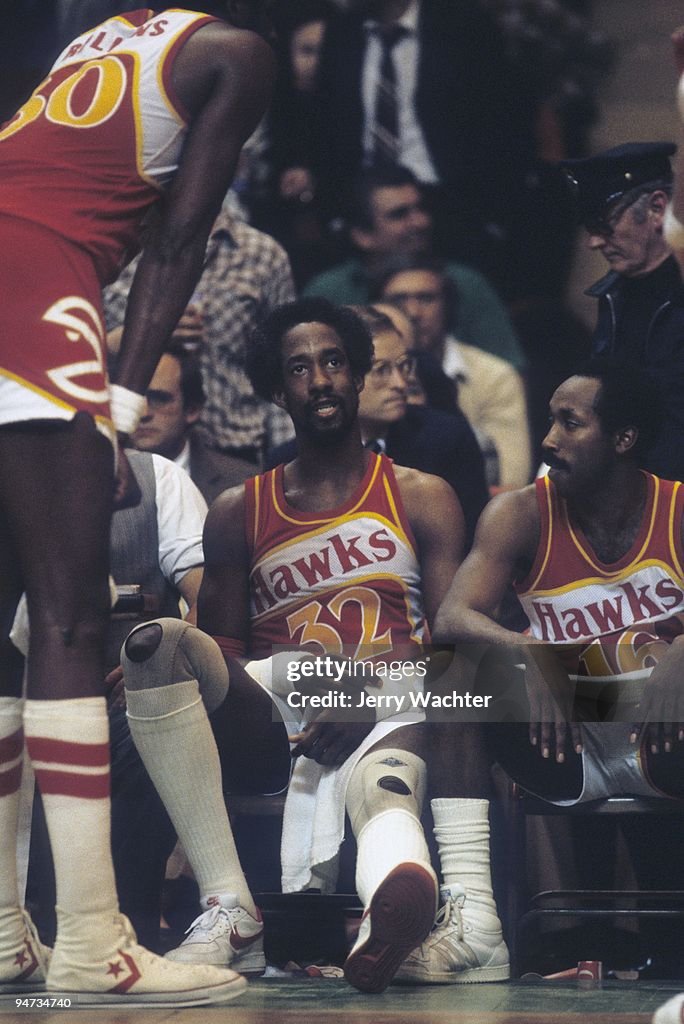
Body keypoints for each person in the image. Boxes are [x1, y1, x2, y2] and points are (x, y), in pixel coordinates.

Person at [0, 1, 275, 1005]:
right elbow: (178, 243)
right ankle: (90, 943)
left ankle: (3, 933)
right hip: (35, 280)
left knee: (6, 626)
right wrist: (116, 404)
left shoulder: (95, 37)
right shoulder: (236, 53)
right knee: (70, 617)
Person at [118, 298, 506, 990]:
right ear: (276, 390)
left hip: (396, 698)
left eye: (333, 361)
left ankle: (398, 905)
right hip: (282, 707)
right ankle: (231, 908)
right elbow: (223, 657)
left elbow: (453, 649)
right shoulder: (240, 510)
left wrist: (362, 692)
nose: (320, 379)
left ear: (357, 375)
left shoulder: (422, 496)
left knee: (405, 749)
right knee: (162, 645)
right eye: (299, 368)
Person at [267, 302, 490, 550]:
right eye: (381, 370)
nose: (401, 383)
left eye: (404, 366)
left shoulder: (446, 439)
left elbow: (473, 547)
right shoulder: (286, 462)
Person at [104, 203, 296, 467]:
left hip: (235, 446)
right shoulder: (117, 245)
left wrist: (287, 458)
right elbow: (75, 355)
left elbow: (280, 367)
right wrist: (137, 336)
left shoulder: (263, 255)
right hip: (130, 441)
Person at [303, 165, 525, 371]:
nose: (420, 222)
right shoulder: (328, 291)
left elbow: (508, 373)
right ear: (363, 236)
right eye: (400, 214)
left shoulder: (466, 282)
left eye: (420, 209)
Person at [560, 141, 684, 481]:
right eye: (589, 228)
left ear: (658, 208)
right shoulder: (613, 296)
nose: (594, 242)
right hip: (624, 490)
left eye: (604, 224)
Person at [377, 257, 532, 489]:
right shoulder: (359, 374)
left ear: (448, 306)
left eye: (426, 298)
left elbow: (510, 485)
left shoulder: (496, 375)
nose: (412, 312)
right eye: (398, 300)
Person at [132, 343, 254, 505]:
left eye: (160, 399)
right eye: (135, 399)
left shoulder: (243, 483)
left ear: (192, 410)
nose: (144, 413)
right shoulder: (98, 476)